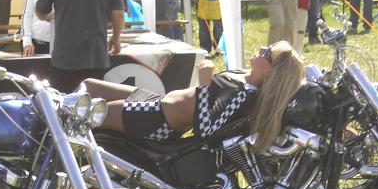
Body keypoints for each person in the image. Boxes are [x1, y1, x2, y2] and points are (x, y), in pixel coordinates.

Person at [84, 41, 304, 153]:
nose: (262, 48)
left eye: (268, 53)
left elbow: (207, 132)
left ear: (270, 72)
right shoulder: (242, 76)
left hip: (157, 120)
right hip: (157, 102)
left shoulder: (243, 95)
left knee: (86, 114)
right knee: (88, 86)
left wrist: (204, 84)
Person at [35, 0, 123, 93]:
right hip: (96, 55)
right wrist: (116, 38)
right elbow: (118, 11)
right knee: (93, 103)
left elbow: (41, 9)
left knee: (64, 102)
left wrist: (45, 16)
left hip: (65, 56)